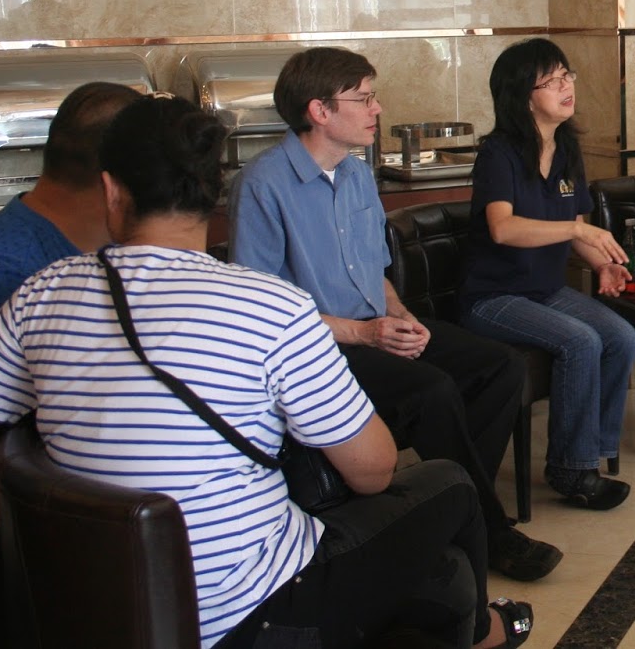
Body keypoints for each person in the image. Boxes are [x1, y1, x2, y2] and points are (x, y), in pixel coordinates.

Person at [0, 95, 534, 649]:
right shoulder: (271, 307)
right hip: (248, 613)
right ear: (214, 194)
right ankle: (485, 633)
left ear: (112, 191)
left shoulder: (42, 292)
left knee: (424, 567)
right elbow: (374, 471)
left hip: (94, 605)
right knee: (449, 485)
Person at [229, 46, 560, 581]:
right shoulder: (262, 185)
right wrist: (365, 333)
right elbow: (260, 311)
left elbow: (375, 272)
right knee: (431, 391)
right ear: (319, 110)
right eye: (363, 99)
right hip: (316, 347)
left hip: (374, 326)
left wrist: (402, 317)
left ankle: (446, 508)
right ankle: (490, 530)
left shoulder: (357, 175)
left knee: (500, 367)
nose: (377, 109)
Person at [0, 79, 139, 645]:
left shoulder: (83, 246)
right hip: (22, 580)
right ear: (114, 182)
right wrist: (32, 521)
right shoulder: (4, 270)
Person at [457, 38, 635, 510]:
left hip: (543, 289)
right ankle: (571, 470)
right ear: (523, 95)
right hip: (492, 297)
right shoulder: (499, 153)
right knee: (581, 342)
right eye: (551, 80)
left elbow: (574, 227)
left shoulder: (566, 149)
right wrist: (579, 230)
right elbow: (503, 228)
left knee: (622, 336)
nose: (565, 86)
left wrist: (601, 263)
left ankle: (594, 450)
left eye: (566, 75)